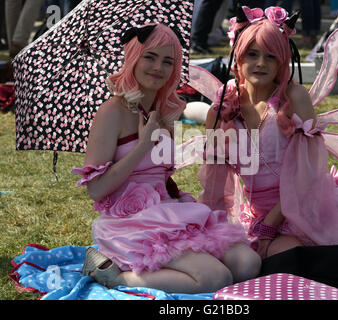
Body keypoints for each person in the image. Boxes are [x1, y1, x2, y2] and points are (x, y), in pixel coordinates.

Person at [199, 6, 338, 276]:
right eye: (252, 54)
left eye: (270, 56)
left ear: (282, 62)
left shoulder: (295, 97)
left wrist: (270, 225)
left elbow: (307, 175)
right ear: (237, 57)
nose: (261, 63)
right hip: (260, 217)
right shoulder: (222, 107)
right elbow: (215, 184)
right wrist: (212, 231)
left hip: (307, 207)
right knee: (281, 264)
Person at [72, 23, 261, 293]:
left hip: (167, 213)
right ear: (133, 58)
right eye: (149, 57)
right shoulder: (111, 111)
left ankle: (181, 267)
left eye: (167, 61)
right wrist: (143, 145)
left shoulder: (163, 112)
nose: (158, 67)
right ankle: (115, 277)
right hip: (129, 225)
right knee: (215, 278)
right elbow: (96, 189)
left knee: (247, 264)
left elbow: (158, 176)